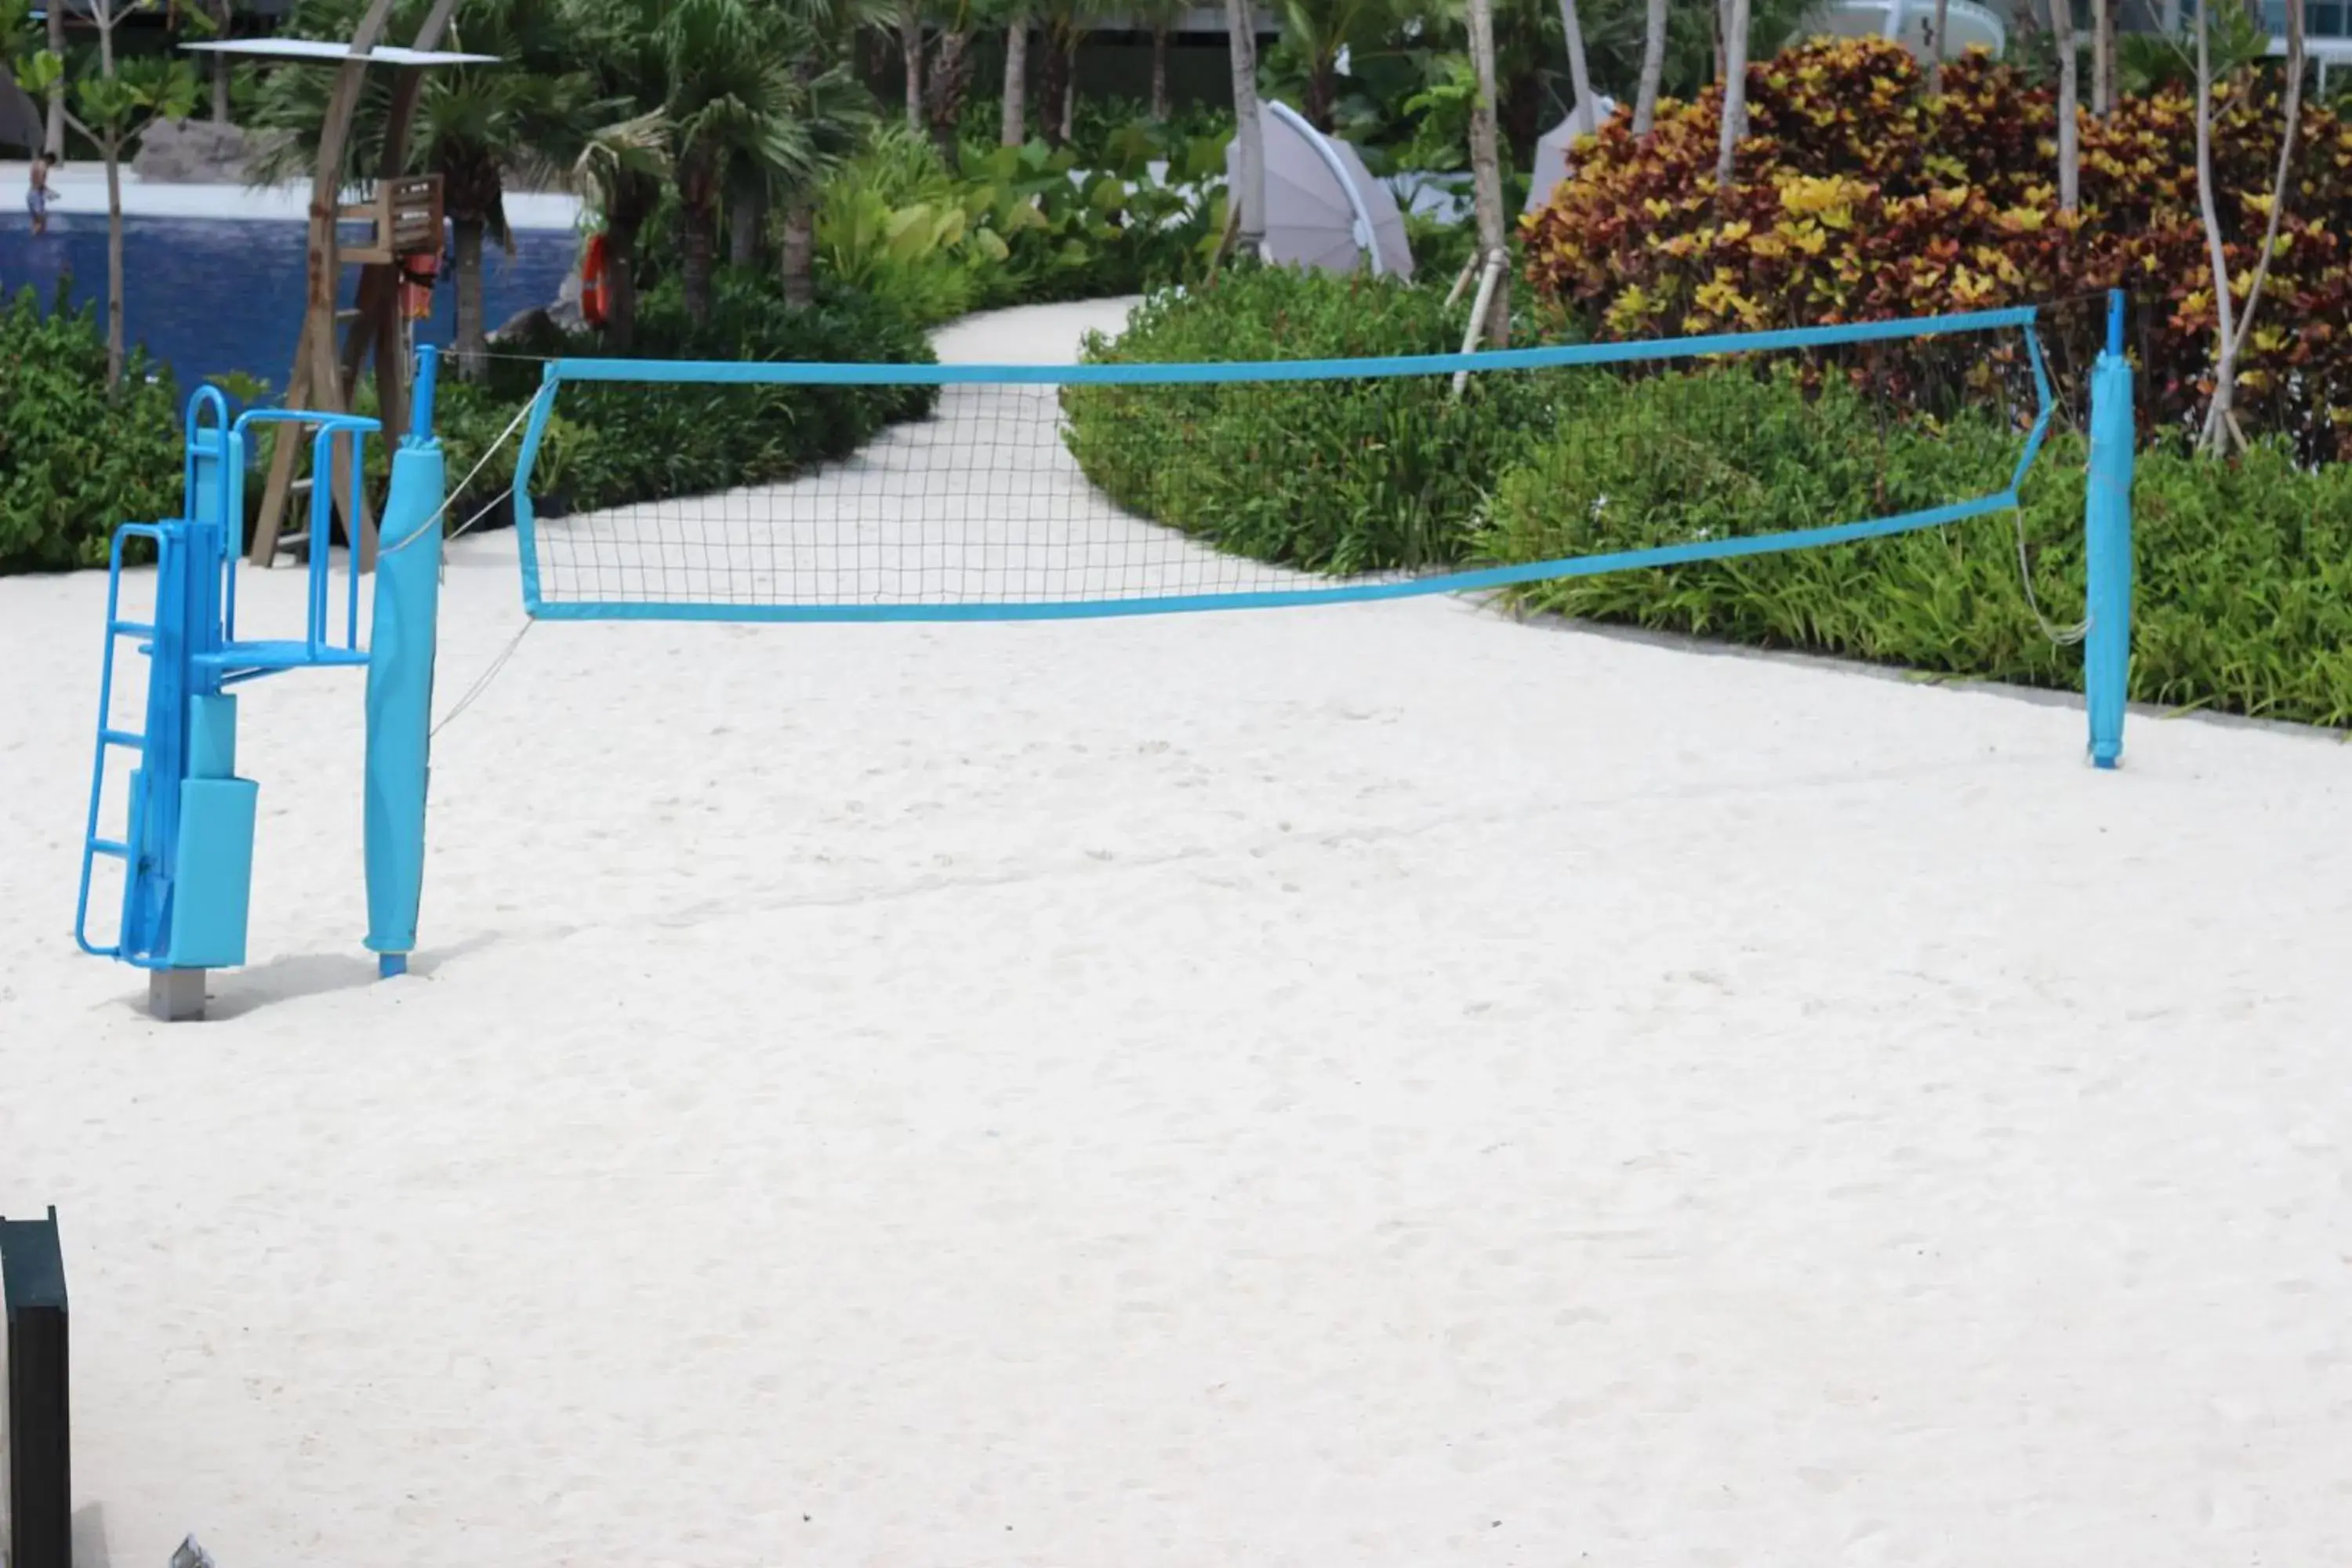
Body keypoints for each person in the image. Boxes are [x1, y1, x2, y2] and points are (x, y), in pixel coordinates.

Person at [27, 153, 54, 235]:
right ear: (49, 160)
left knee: (36, 221)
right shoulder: (44, 167)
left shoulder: (35, 164)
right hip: (37, 195)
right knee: (41, 221)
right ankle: (36, 241)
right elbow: (40, 181)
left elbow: (33, 179)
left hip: (30, 194)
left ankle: (34, 237)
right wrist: (48, 192)